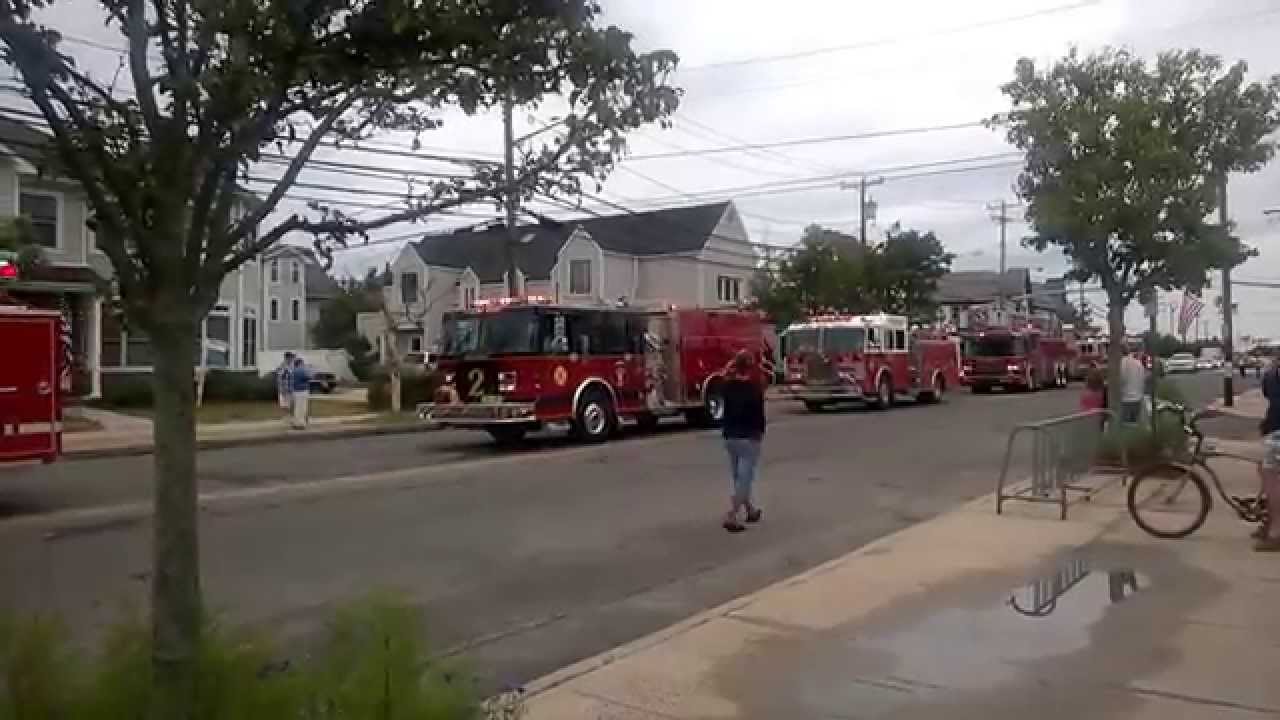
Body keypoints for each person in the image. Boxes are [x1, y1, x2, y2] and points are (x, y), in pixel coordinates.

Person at [720, 350, 766, 534]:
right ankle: (731, 515)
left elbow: (724, 375)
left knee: (739, 477)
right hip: (749, 437)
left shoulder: (728, 386)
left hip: (730, 436)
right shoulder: (755, 389)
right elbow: (759, 416)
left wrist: (730, 366)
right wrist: (761, 433)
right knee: (744, 479)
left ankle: (751, 510)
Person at [1255, 354, 1280, 551]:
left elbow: (1269, 394)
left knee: (1272, 482)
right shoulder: (1272, 375)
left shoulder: (1272, 375)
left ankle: (1275, 532)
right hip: (1274, 430)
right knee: (1263, 470)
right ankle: (1269, 521)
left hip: (1277, 432)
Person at [1120, 346, 1146, 424]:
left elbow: (1121, 380)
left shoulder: (1120, 363)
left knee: (1125, 425)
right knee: (1135, 424)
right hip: (1137, 399)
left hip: (1125, 399)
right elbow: (1142, 380)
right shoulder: (1138, 363)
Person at [289, 356, 311, 430]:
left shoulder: (293, 371)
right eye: (302, 363)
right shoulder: (302, 370)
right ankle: (301, 424)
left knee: (296, 408)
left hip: (295, 391)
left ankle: (295, 423)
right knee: (302, 408)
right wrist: (309, 370)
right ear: (300, 363)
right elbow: (309, 377)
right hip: (302, 391)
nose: (303, 364)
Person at [276, 351, 295, 421]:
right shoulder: (282, 366)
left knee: (291, 403)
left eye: (292, 357)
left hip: (291, 388)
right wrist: (281, 388)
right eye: (290, 357)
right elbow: (279, 376)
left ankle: (291, 416)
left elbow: (293, 375)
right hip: (284, 388)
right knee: (284, 404)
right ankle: (287, 415)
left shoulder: (293, 366)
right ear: (287, 358)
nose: (292, 359)